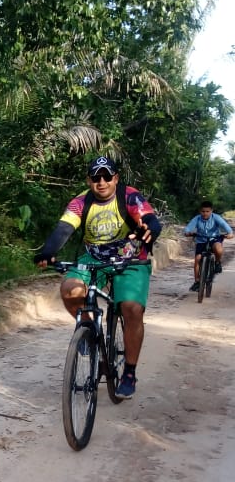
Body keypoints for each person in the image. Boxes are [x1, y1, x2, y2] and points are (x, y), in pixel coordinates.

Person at [34, 155, 162, 399]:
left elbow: (149, 219)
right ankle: (90, 330)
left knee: (132, 308)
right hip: (93, 258)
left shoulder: (130, 196)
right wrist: (49, 251)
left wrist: (151, 229)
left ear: (115, 178)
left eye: (106, 176)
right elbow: (64, 227)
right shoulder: (81, 202)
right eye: (95, 177)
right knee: (70, 289)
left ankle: (130, 373)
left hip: (131, 258)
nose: (101, 182)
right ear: (89, 180)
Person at [183, 201, 233, 291]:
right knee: (197, 259)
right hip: (201, 240)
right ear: (200, 211)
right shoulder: (197, 219)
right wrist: (188, 232)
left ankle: (217, 263)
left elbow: (226, 226)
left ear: (211, 211)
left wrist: (230, 233)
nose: (205, 213)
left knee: (218, 249)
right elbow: (189, 227)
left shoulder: (216, 217)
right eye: (203, 211)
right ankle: (197, 282)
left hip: (214, 239)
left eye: (207, 211)